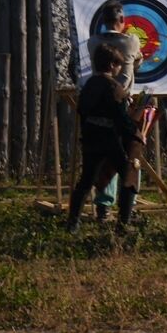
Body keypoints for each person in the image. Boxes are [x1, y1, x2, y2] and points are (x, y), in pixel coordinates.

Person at [66, 43, 145, 234]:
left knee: (85, 182)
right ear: (111, 65)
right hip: (111, 141)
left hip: (91, 140)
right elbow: (120, 117)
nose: (119, 69)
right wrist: (135, 133)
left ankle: (73, 224)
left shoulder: (89, 86)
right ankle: (123, 224)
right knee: (129, 176)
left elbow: (82, 111)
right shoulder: (114, 87)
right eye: (118, 65)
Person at [86, 0, 143, 222]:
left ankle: (103, 209)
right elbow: (136, 60)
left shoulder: (92, 42)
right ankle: (127, 210)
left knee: (104, 156)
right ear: (122, 21)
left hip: (99, 106)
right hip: (123, 106)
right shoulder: (131, 41)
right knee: (130, 154)